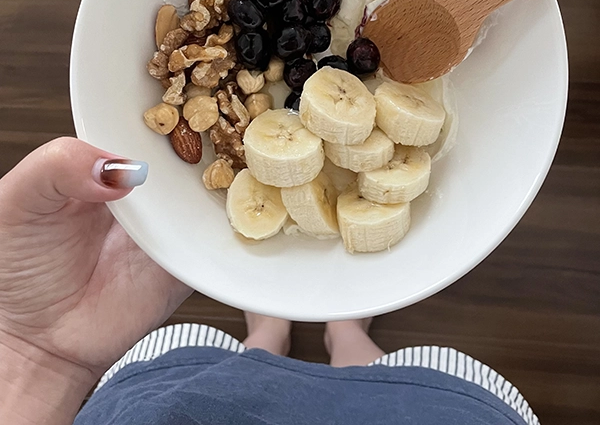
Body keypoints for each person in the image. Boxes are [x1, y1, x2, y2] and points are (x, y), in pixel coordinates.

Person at [0, 138, 539, 425]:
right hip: (430, 414)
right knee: (377, 381)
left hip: (172, 405)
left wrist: (38, 359)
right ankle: (345, 338)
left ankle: (266, 340)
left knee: (238, 369)